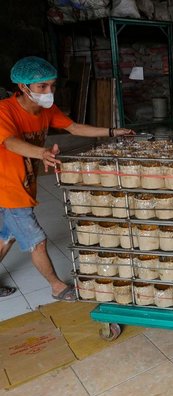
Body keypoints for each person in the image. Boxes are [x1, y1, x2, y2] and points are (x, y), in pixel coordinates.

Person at [0, 56, 135, 301]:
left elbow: (74, 128)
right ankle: (57, 287)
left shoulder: (46, 109)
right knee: (36, 241)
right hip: (7, 186)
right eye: (42, 86)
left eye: (52, 85)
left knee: (6, 236)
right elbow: (9, 142)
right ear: (22, 87)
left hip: (24, 182)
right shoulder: (4, 111)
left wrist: (113, 131)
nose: (49, 91)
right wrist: (42, 152)